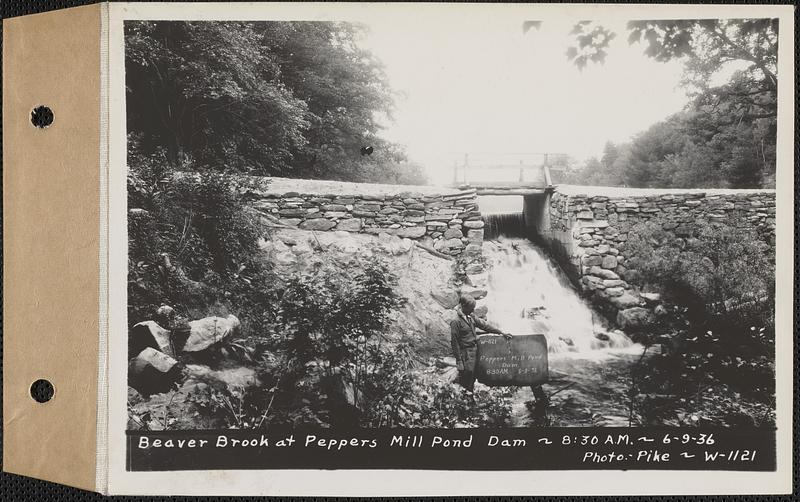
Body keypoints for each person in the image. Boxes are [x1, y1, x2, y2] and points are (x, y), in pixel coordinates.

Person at [450, 294, 511, 391]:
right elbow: (454, 342)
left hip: (475, 350)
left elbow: (485, 326)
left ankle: (469, 395)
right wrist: (459, 361)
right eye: (471, 308)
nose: (473, 310)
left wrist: (501, 332)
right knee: (467, 376)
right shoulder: (456, 321)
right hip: (465, 353)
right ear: (463, 306)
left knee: (473, 376)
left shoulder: (471, 316)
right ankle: (465, 396)